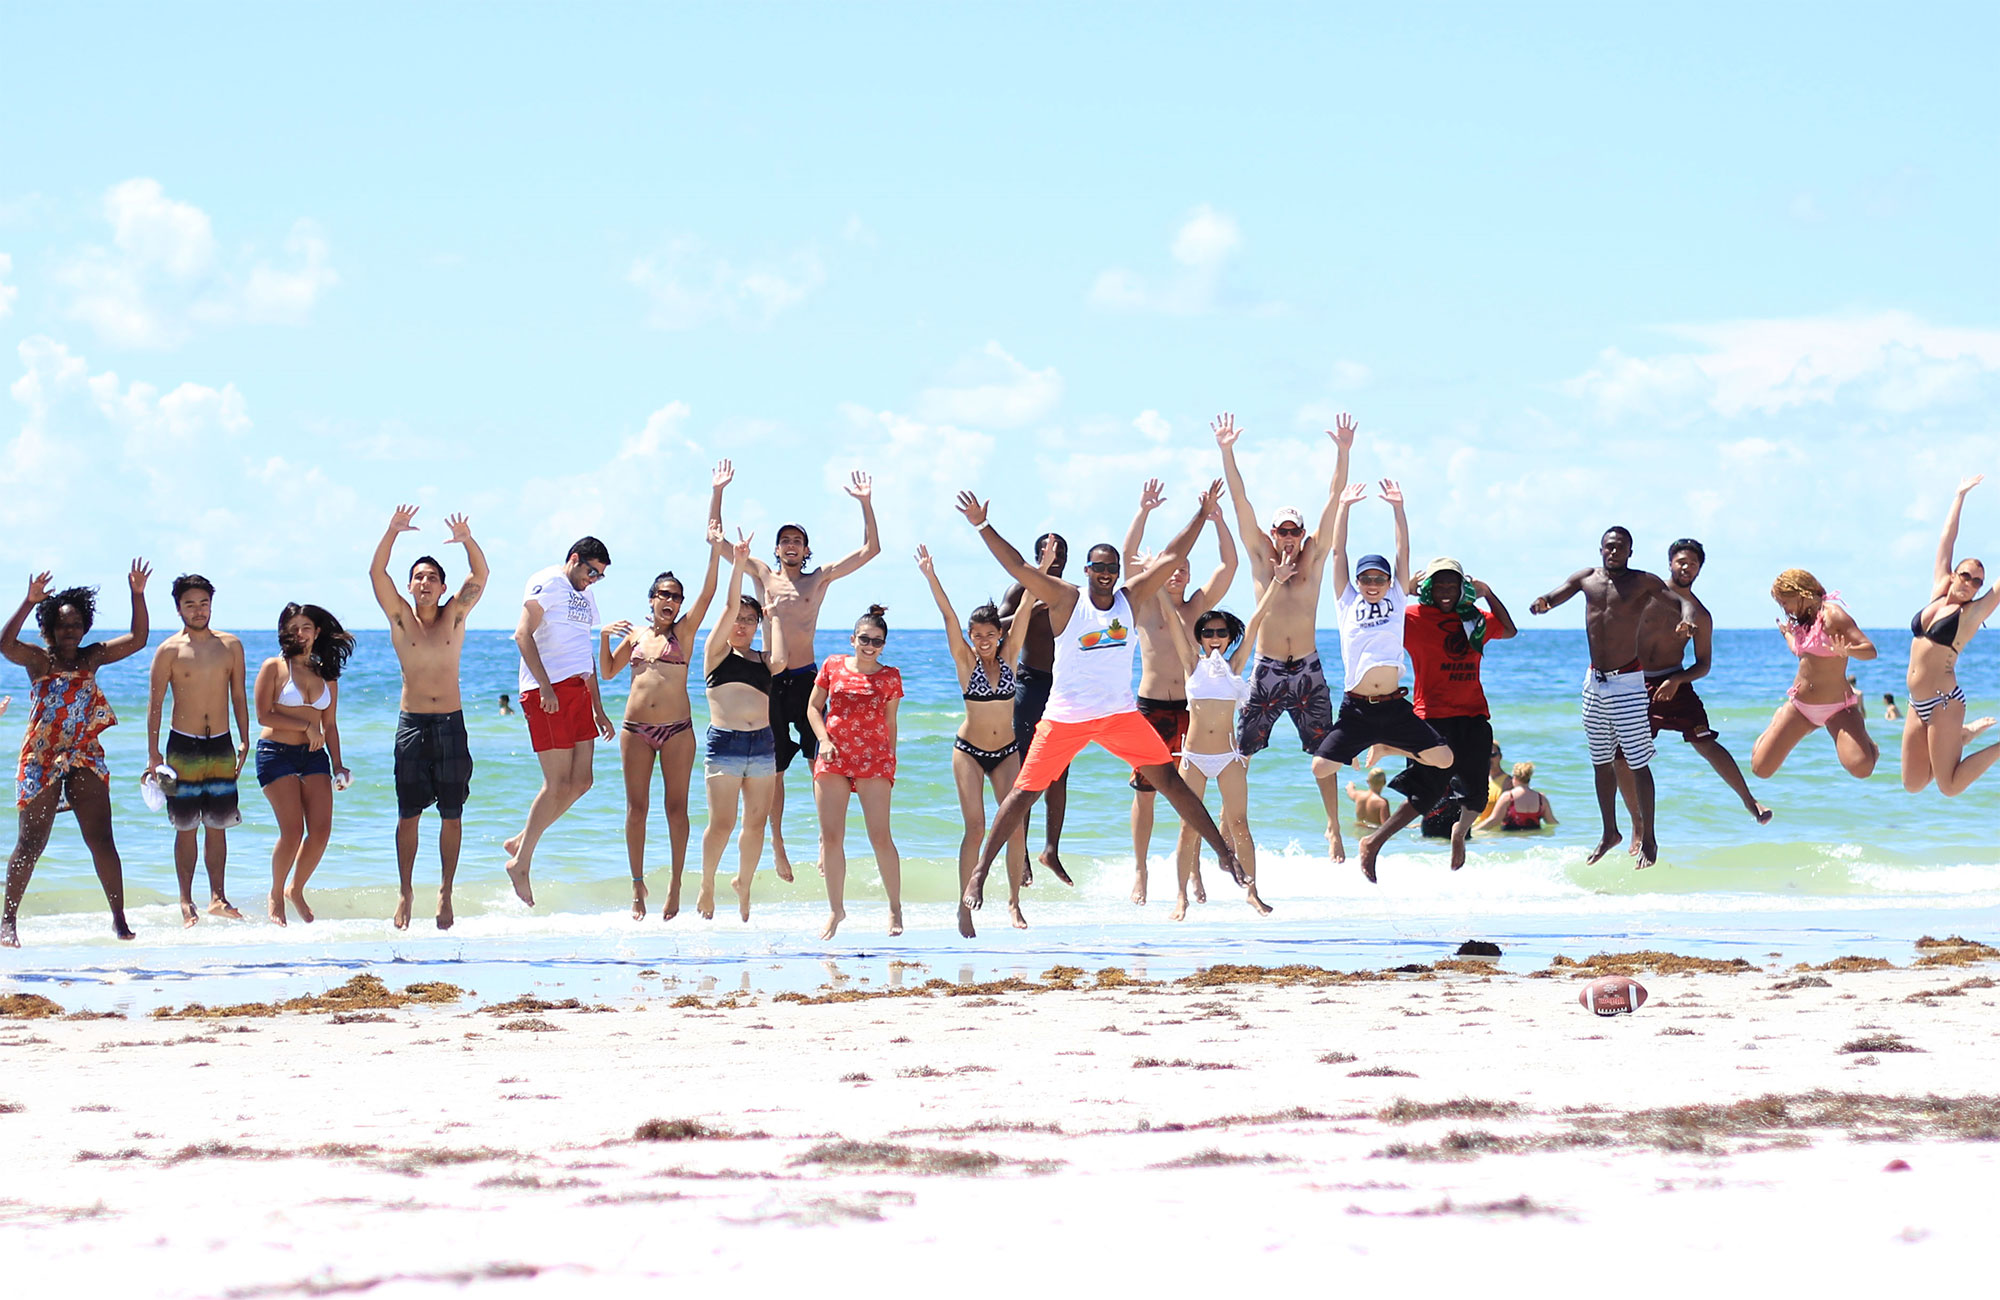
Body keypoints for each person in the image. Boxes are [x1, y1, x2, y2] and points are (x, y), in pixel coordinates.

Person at [955, 481, 1248, 920]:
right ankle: (980, 873)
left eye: (1111, 566)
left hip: (1118, 715)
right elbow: (1019, 567)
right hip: (1066, 716)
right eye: (1098, 567)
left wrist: (1202, 515)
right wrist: (983, 526)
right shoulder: (1066, 598)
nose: (1106, 573)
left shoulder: (1130, 599)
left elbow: (1169, 556)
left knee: (1169, 782)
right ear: (1088, 570)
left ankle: (1223, 854)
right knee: (1022, 794)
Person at [710, 460, 880, 880]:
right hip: (770, 678)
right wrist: (718, 492)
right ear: (776, 549)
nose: (790, 545)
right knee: (775, 767)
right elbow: (715, 542)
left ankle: (826, 840)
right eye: (784, 540)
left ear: (806, 550)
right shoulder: (763, 575)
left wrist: (866, 504)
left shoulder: (817, 580)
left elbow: (870, 550)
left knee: (818, 760)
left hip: (807, 678)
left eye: (797, 541)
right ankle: (778, 843)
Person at [1216, 411, 1357, 862]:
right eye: (1283, 532)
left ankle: (1333, 828)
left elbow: (1334, 500)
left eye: (1296, 531)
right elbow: (1241, 503)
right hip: (1267, 668)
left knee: (1326, 751)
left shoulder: (1313, 562)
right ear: (1273, 535)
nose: (1289, 539)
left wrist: (1343, 451)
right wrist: (1227, 451)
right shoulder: (1261, 560)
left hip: (1309, 670)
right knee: (1241, 752)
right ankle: (1225, 826)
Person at [1309, 482, 1455, 879]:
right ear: (1357, 582)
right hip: (1356, 708)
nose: (1373, 584)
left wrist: (1399, 509)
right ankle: (1372, 744)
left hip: (1393, 706)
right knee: (1321, 768)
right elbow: (1338, 552)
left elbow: (1402, 552)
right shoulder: (1346, 602)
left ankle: (1387, 747)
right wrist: (1344, 507)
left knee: (1445, 758)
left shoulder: (1395, 602)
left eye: (1380, 579)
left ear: (1390, 582)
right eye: (1366, 579)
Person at [1530, 527, 1697, 869]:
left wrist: (1687, 622)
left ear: (1630, 552)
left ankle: (1648, 836)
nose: (1614, 551)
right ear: (1601, 548)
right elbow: (1555, 594)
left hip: (1627, 683)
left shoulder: (1642, 582)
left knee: (1637, 761)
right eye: (1609, 546)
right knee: (1600, 760)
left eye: (1621, 547)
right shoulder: (1587, 578)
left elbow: (1681, 602)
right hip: (1594, 681)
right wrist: (1543, 603)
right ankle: (1610, 832)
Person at [1, 564, 150, 947]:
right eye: (63, 625)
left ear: (86, 627)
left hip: (84, 752)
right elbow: (5, 645)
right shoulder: (39, 660)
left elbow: (137, 640)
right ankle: (8, 921)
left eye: (77, 624)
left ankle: (119, 919)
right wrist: (28, 601)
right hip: (41, 755)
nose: (70, 631)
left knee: (102, 838)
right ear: (49, 628)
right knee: (30, 843)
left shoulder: (91, 658)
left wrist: (137, 593)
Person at [1354, 556, 1517, 878]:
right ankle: (1373, 843)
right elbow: (1376, 622)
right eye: (1438, 584)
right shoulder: (1413, 617)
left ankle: (1459, 832)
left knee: (1476, 793)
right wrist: (1403, 593)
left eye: (1452, 584)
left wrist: (1489, 594)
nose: (1445, 590)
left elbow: (1509, 631)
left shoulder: (1474, 619)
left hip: (1472, 714)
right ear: (1428, 588)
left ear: (1461, 588)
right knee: (1424, 795)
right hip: (1431, 717)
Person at [369, 506, 490, 930]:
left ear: (441, 587)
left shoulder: (455, 615)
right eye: (418, 577)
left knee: (452, 813)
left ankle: (445, 891)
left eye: (431, 578)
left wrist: (466, 539)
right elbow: (376, 573)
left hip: (450, 724)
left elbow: (480, 576)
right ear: (410, 586)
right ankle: (405, 891)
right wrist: (392, 530)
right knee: (408, 813)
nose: (424, 583)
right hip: (413, 725)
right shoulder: (400, 618)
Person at [1121, 478, 1237, 904]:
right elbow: (1132, 561)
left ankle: (1195, 870)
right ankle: (1140, 870)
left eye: (1185, 567)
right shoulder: (1145, 605)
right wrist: (1144, 511)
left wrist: (1216, 519)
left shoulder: (1197, 609)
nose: (1177, 571)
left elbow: (1229, 566)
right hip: (1150, 708)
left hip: (1191, 711)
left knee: (1192, 795)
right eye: (1172, 566)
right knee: (1145, 793)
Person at [601, 529, 724, 921]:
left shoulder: (684, 634)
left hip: (677, 731)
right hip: (634, 730)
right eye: (664, 595)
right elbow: (606, 672)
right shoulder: (635, 636)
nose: (670, 601)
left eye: (676, 596)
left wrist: (716, 552)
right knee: (636, 809)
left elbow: (708, 593)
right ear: (651, 599)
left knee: (677, 809)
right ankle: (637, 884)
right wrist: (603, 637)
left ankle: (675, 884)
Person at [917, 544, 1034, 937]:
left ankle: (1014, 902)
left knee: (1015, 827)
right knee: (976, 827)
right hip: (968, 752)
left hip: (1006, 752)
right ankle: (962, 909)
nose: (984, 640)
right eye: (977, 635)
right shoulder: (965, 662)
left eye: (990, 634)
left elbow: (1030, 602)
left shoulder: (1010, 656)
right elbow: (947, 615)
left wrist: (1044, 568)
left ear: (1000, 633)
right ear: (971, 637)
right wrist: (931, 576)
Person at [1156, 574, 1287, 919]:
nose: (1215, 638)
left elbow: (1258, 617)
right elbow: (1170, 617)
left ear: (1230, 638)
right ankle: (1181, 896)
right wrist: (1155, 577)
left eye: (1221, 633)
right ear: (1199, 637)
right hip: (1194, 758)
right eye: (1208, 633)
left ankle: (1252, 892)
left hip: (1229, 757)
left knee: (1240, 824)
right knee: (1189, 826)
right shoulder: (1191, 664)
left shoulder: (1235, 666)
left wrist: (1277, 579)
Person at [1621, 539, 1771, 826]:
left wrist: (1677, 680)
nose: (1686, 567)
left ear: (1700, 569)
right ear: (1670, 563)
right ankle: (1637, 826)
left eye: (1693, 563)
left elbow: (1703, 664)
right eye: (1681, 561)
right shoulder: (1646, 597)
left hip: (1674, 683)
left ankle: (1749, 800)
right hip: (1636, 683)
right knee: (1625, 755)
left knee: (1705, 742)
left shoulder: (1700, 615)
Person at [504, 537, 614, 906]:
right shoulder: (548, 581)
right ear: (574, 559)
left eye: (599, 576)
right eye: (591, 571)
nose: (593, 579)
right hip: (545, 691)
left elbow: (585, 654)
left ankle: (522, 839)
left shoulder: (586, 596)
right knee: (556, 783)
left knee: (582, 781)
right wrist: (546, 688)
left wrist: (598, 708)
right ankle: (521, 862)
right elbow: (522, 635)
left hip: (579, 692)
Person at [145, 573, 249, 927]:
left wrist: (245, 738)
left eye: (204, 603)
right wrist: (153, 755)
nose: (198, 610)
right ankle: (186, 901)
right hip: (180, 747)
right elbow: (155, 704)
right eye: (190, 604)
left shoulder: (231, 645)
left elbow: (238, 695)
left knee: (218, 824)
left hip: (220, 742)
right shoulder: (169, 650)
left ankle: (218, 897)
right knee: (185, 825)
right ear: (178, 609)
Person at [700, 534, 786, 920]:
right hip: (726, 744)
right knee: (723, 823)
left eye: (750, 620)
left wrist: (775, 616)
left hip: (762, 745)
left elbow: (781, 660)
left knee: (755, 822)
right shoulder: (716, 653)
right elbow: (730, 603)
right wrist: (738, 564)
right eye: (738, 618)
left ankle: (743, 883)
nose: (742, 623)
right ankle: (706, 883)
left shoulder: (763, 659)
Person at [807, 605, 906, 941]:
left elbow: (891, 721)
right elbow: (813, 707)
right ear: (852, 639)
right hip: (833, 755)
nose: (869, 645)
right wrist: (822, 740)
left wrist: (890, 759)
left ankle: (894, 906)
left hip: (873, 759)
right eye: (864, 638)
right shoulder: (833, 665)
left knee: (880, 836)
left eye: (877, 641)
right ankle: (836, 909)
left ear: (883, 645)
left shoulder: (890, 675)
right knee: (832, 838)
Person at [254, 602, 354, 925]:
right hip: (275, 753)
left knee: (321, 831)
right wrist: (306, 727)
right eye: (293, 628)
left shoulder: (327, 675)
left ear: (317, 632)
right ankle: (276, 892)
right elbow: (263, 715)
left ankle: (295, 888)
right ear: (284, 632)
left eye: (306, 627)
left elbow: (331, 725)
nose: (300, 633)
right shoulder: (274, 667)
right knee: (293, 830)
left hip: (314, 758)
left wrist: (338, 765)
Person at [1901, 476, 2000, 796]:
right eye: (1966, 575)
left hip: (1944, 703)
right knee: (1913, 784)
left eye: (1977, 582)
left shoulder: (1971, 614)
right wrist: (1959, 496)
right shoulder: (1938, 590)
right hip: (1918, 703)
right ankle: (1963, 736)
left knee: (1950, 786)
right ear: (1955, 574)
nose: (1970, 583)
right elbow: (1946, 540)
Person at [1750, 570, 1879, 780]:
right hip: (1800, 707)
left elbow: (1870, 651)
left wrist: (1848, 651)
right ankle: (1779, 719)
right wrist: (1788, 634)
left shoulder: (1832, 616)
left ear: (1801, 593)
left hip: (1838, 708)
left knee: (1862, 769)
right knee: (1760, 769)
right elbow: (1800, 650)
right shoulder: (1803, 619)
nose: (1784, 609)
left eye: (1785, 602)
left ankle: (1869, 746)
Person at [999, 532, 1072, 884]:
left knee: (1061, 773)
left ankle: (1051, 851)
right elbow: (992, 630)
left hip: (1064, 688)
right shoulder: (1020, 591)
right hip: (1029, 684)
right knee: (1028, 772)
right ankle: (1021, 852)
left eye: (1061, 552)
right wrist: (1031, 609)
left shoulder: (1073, 593)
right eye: (1047, 550)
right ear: (1036, 555)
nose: (1055, 556)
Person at [1476, 762, 1558, 831]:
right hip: (1533, 840)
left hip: (1511, 841)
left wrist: (1474, 831)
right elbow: (1551, 822)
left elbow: (1494, 820)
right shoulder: (1541, 798)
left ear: (1514, 778)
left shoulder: (1508, 797)